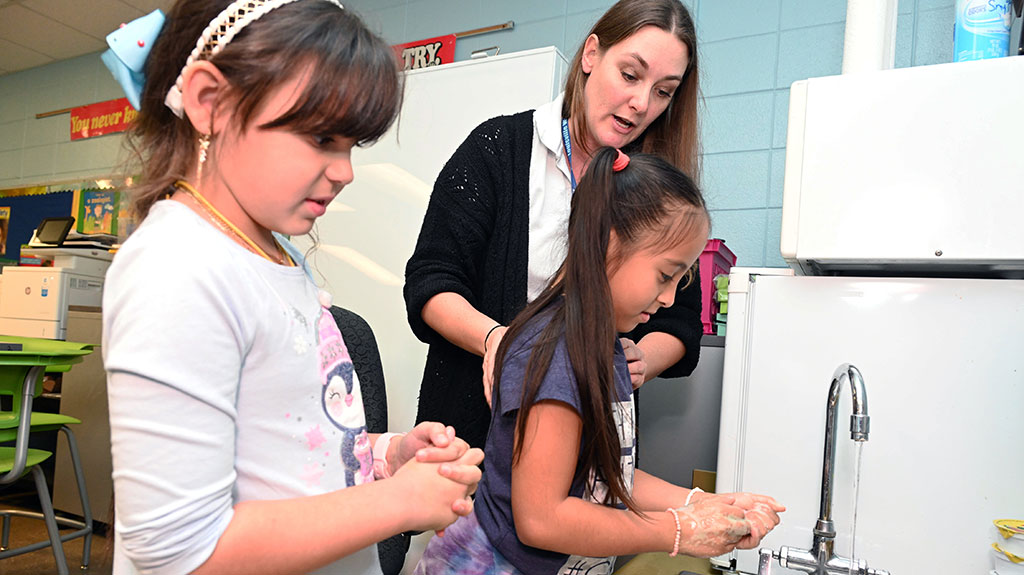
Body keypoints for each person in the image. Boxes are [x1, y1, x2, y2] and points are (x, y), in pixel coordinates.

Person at [100, 2, 483, 574]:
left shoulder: (271, 252)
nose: (346, 170)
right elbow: (178, 552)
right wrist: (396, 503)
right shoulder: (176, 267)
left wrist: (385, 456)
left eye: (352, 144)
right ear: (212, 103)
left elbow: (293, 443)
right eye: (324, 137)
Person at [413, 148, 784, 574]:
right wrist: (678, 529)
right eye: (664, 275)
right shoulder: (554, 354)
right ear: (607, 244)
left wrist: (701, 503)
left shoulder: (604, 348)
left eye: (680, 281)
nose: (667, 299)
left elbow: (607, 475)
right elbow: (541, 519)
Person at [405, 0, 705, 451]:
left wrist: (640, 359)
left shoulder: (657, 190)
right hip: (470, 431)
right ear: (590, 55)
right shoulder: (496, 151)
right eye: (630, 74)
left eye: (663, 91)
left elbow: (680, 319)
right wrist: (495, 341)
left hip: (588, 442)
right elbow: (431, 282)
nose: (642, 103)